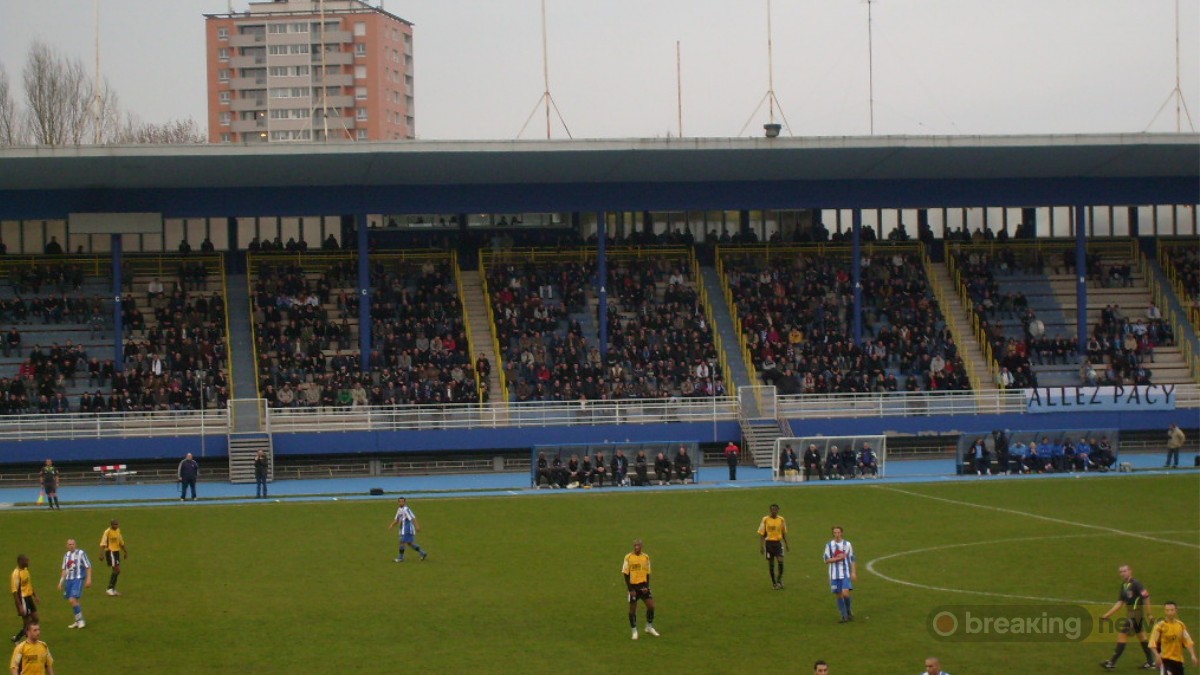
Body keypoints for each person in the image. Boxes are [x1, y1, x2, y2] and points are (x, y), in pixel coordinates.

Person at [1100, 564, 1156, 670]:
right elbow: (1120, 602)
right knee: (1142, 637)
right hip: (1132, 615)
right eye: (1121, 572)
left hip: (1136, 615)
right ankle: (1151, 662)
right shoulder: (1124, 586)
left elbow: (1146, 597)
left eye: (1125, 571)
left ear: (1130, 571)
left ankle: (1111, 662)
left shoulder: (1136, 584)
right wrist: (1108, 614)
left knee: (1122, 635)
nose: (1123, 573)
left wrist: (1149, 614)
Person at [621, 539, 658, 640]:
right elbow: (625, 574)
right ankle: (634, 631)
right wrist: (630, 589)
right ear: (633, 547)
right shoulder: (628, 557)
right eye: (635, 546)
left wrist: (647, 586)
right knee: (632, 610)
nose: (637, 547)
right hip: (633, 587)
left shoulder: (645, 557)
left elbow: (647, 573)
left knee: (651, 606)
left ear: (641, 547)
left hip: (643, 586)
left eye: (639, 546)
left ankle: (649, 627)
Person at [1149, 601, 1197, 675]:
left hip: (1179, 661)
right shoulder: (1159, 626)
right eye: (1167, 610)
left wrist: (1192, 655)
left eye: (1172, 610)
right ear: (1164, 611)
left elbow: (1188, 641)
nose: (1170, 613)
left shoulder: (1181, 625)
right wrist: (1157, 656)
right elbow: (1152, 643)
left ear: (1176, 611)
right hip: (1165, 659)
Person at [823, 526, 856, 623]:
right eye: (835, 532)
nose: (837, 534)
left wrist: (853, 572)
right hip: (834, 575)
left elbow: (852, 559)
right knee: (838, 595)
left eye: (838, 532)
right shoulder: (829, 545)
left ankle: (849, 611)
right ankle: (844, 616)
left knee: (845, 594)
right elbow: (826, 560)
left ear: (842, 533)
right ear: (833, 534)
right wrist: (838, 558)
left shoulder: (847, 544)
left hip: (845, 573)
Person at [56, 539, 91, 629]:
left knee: (72, 599)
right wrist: (61, 582)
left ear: (75, 544)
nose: (71, 545)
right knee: (73, 601)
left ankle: (81, 620)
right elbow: (64, 570)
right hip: (69, 580)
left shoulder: (81, 553)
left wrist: (88, 579)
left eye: (73, 544)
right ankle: (77, 621)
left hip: (78, 579)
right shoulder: (66, 555)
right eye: (69, 544)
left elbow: (88, 566)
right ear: (67, 545)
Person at [757, 504, 789, 589]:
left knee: (780, 561)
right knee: (771, 564)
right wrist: (761, 546)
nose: (774, 511)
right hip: (769, 544)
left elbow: (783, 532)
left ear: (778, 510)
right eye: (773, 510)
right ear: (770, 510)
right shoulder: (765, 519)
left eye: (776, 510)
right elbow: (762, 534)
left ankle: (779, 580)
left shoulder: (781, 519)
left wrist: (786, 544)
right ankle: (774, 583)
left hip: (778, 543)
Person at [387, 497, 427, 562]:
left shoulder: (406, 509)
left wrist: (417, 526)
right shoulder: (399, 509)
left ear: (405, 502)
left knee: (401, 542)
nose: (401, 503)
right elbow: (397, 519)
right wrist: (392, 525)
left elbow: (413, 518)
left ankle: (401, 558)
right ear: (398, 502)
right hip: (403, 528)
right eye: (400, 501)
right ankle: (423, 553)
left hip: (408, 528)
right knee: (410, 543)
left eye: (402, 501)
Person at [9, 556, 38, 644]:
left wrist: (35, 596)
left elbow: (29, 584)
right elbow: (14, 592)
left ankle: (17, 637)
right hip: (22, 599)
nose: (28, 561)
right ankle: (28, 640)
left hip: (29, 598)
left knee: (35, 619)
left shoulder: (26, 570)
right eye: (26, 560)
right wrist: (20, 606)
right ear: (21, 562)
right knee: (28, 621)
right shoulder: (16, 574)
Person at [99, 519, 127, 596]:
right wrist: (101, 554)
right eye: (115, 524)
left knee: (117, 571)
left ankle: (112, 589)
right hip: (110, 551)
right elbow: (102, 543)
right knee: (117, 569)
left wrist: (125, 551)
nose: (116, 526)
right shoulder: (107, 532)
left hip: (116, 552)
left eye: (117, 524)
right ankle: (109, 589)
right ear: (111, 525)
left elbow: (121, 542)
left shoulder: (118, 530)